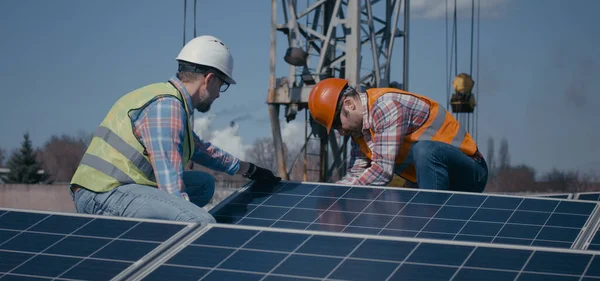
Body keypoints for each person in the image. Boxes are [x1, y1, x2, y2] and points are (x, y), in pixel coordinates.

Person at [69, 35, 281, 223]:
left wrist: (247, 169)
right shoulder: (167, 108)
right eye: (222, 85)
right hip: (104, 194)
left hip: (118, 188)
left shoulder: (168, 99)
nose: (219, 94)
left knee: (204, 184)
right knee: (201, 223)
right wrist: (185, 219)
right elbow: (171, 189)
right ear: (209, 79)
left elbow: (201, 149)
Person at [307, 77, 488, 192]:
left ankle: (433, 220)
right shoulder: (358, 130)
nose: (340, 132)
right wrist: (335, 193)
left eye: (338, 124)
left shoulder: (386, 107)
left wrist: (341, 193)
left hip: (469, 173)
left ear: (349, 105)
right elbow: (357, 174)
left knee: (425, 151)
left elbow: (381, 172)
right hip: (430, 182)